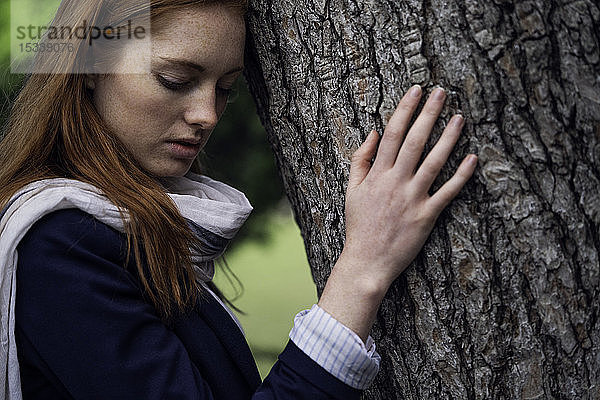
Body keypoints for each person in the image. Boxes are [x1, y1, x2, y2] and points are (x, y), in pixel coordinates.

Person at [0, 0, 477, 399]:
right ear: (88, 67)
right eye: (176, 79)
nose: (207, 114)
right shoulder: (60, 246)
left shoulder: (116, 226)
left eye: (225, 89)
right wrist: (362, 270)